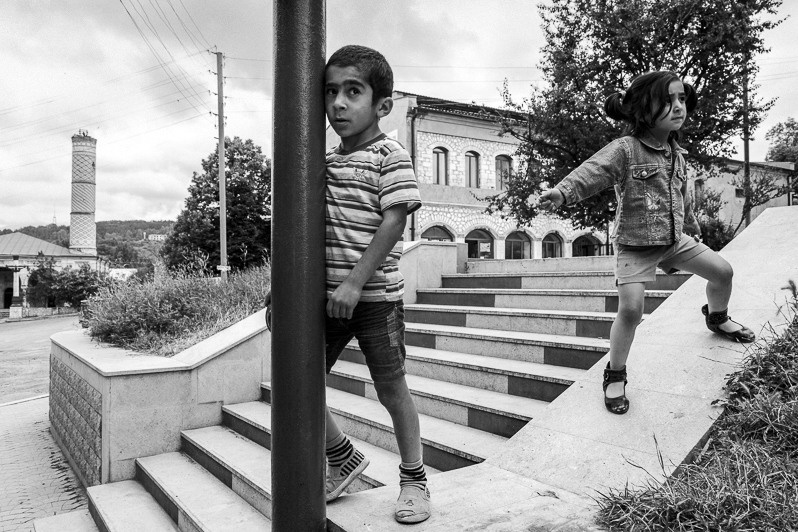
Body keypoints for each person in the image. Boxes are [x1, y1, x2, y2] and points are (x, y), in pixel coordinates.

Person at [266, 44, 429, 523]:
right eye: (331, 92)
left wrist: (355, 283)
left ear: (381, 105)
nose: (338, 103)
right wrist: (285, 290)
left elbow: (394, 222)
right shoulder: (325, 161)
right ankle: (342, 456)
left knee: (392, 389)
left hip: (374, 297)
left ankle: (415, 479)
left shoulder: (389, 155)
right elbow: (305, 233)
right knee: (295, 384)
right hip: (325, 298)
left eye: (352, 92)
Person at [536, 71, 755, 415]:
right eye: (668, 100)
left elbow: (682, 197)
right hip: (635, 245)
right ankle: (615, 373)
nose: (678, 106)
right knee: (631, 310)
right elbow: (593, 170)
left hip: (673, 239)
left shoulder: (677, 154)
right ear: (642, 108)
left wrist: (693, 227)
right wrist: (562, 192)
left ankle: (717, 318)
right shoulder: (626, 149)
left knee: (723, 272)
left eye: (682, 98)